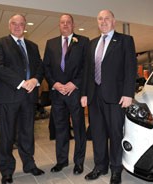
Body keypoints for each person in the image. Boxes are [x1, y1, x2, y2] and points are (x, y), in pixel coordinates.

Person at [81, 10, 137, 184]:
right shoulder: (92, 43)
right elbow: (87, 72)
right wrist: (84, 93)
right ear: (97, 22)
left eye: (107, 19)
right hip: (94, 96)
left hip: (116, 96)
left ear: (114, 22)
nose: (103, 22)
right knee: (97, 133)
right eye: (100, 19)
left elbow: (130, 68)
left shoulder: (125, 41)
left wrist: (128, 93)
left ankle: (115, 169)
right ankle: (100, 166)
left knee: (115, 133)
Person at [0, 14, 45, 184]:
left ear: (25, 27)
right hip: (8, 98)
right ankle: (7, 171)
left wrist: (35, 80)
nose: (17, 26)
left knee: (27, 134)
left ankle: (29, 165)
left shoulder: (33, 46)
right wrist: (22, 82)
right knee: (7, 136)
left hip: (28, 98)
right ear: (9, 26)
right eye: (14, 23)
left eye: (21, 24)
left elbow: (39, 67)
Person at [43, 13, 89, 175]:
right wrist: (54, 83)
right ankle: (61, 161)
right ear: (59, 25)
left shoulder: (83, 41)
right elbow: (46, 67)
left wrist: (74, 83)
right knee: (61, 128)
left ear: (73, 25)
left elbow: (86, 67)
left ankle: (79, 162)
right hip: (57, 94)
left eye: (68, 22)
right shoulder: (51, 43)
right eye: (62, 22)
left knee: (78, 128)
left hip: (74, 92)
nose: (65, 25)